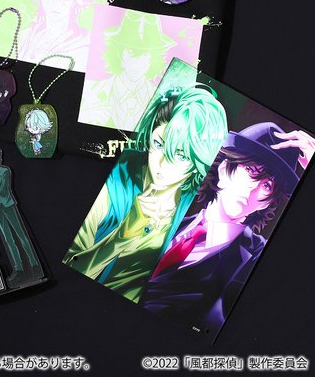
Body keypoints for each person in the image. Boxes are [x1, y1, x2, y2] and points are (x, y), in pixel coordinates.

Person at [140, 123, 313, 334]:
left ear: (268, 203)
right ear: (224, 169)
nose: (253, 188)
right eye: (250, 170)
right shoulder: (168, 221)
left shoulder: (258, 256)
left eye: (267, 186)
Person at [63, 84, 228, 303]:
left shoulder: (195, 202)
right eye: (158, 144)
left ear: (198, 161)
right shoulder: (117, 183)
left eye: (181, 156)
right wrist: (122, 236)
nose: (162, 164)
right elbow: (71, 271)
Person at [79, 11, 176, 131]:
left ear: (153, 59)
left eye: (145, 54)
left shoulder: (162, 102)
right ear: (119, 52)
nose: (137, 63)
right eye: (131, 52)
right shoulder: (92, 91)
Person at [0, 147, 43, 287]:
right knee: (8, 239)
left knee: (21, 235)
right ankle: (18, 269)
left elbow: (3, 190)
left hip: (7, 205)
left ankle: (34, 264)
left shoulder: (4, 171)